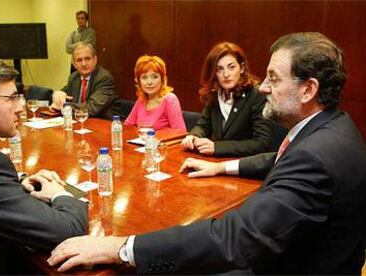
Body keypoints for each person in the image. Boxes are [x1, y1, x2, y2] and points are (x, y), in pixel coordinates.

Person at [47, 32, 366, 274]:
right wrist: (220, 168)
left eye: (273, 78)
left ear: (308, 89)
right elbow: (280, 158)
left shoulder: (314, 158)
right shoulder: (332, 129)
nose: (263, 87)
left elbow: (234, 238)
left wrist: (120, 247)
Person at [0, 53, 88, 274]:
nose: (20, 107)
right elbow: (68, 230)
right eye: (13, 98)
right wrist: (59, 194)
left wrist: (18, 182)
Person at [180, 42, 272, 157]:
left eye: (231, 67)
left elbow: (261, 143)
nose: (226, 74)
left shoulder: (256, 94)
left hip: (245, 164)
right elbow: (203, 125)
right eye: (219, 69)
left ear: (242, 68)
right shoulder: (215, 93)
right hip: (218, 162)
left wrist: (217, 147)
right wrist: (193, 136)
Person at [50, 42, 121, 120]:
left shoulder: (104, 78)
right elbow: (64, 92)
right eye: (79, 60)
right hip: (80, 124)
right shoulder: (74, 77)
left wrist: (63, 107)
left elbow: (91, 108)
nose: (84, 64)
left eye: (87, 59)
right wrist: (57, 94)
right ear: (74, 64)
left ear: (95, 60)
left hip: (103, 124)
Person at [124, 55, 186, 131]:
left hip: (163, 142)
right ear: (138, 81)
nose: (149, 82)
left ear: (163, 79)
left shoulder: (170, 99)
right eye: (144, 77)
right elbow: (127, 126)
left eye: (155, 77)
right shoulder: (141, 100)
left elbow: (181, 133)